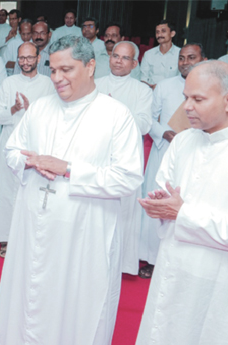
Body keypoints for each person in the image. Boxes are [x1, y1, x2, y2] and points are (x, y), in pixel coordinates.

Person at [0, 36, 144, 345]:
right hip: (33, 225)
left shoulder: (116, 115)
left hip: (83, 234)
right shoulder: (39, 110)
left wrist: (70, 169)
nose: (58, 78)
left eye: (67, 69)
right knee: (29, 297)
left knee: (75, 308)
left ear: (90, 66)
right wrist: (30, 162)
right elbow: (12, 150)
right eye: (53, 70)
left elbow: (128, 178)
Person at [136, 59, 228, 344]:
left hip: (215, 279)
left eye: (197, 99)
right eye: (186, 97)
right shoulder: (183, 142)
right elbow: (167, 200)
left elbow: (180, 211)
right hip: (172, 265)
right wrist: (160, 207)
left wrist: (182, 213)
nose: (186, 106)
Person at [139, 43, 206, 279]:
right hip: (166, 149)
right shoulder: (165, 86)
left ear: (203, 59)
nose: (185, 62)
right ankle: (153, 259)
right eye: (181, 58)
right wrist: (165, 133)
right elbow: (149, 117)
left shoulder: (211, 90)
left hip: (199, 149)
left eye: (191, 57)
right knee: (161, 198)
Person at [0, 42, 55, 257]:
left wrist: (30, 110)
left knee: (33, 192)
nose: (25, 62)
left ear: (38, 57)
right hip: (10, 142)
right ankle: (7, 238)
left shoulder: (48, 83)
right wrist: (15, 108)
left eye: (29, 57)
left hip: (37, 144)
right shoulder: (8, 83)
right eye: (21, 58)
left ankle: (32, 238)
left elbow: (54, 117)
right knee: (8, 191)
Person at [96, 41, 153, 275]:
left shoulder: (142, 91)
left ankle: (120, 262)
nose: (118, 61)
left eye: (125, 58)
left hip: (126, 156)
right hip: (98, 154)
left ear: (134, 63)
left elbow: (144, 124)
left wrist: (115, 112)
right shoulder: (94, 85)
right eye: (115, 56)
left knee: (124, 210)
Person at [140, 20, 180, 89]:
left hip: (173, 93)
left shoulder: (180, 54)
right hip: (151, 93)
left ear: (172, 34)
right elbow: (143, 78)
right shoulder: (149, 54)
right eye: (157, 32)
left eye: (163, 31)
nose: (159, 35)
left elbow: (182, 79)